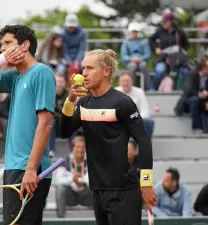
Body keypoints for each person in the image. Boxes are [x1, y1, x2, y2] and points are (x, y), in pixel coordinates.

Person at [0, 25, 56, 225]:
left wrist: (31, 169)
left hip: (29, 169)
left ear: (25, 45)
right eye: (1, 45)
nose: (2, 49)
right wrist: (2, 59)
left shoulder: (41, 72)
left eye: (7, 44)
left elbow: (45, 124)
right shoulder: (15, 76)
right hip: (14, 167)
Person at [59, 49, 156, 225]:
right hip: (97, 190)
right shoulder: (83, 103)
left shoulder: (123, 103)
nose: (84, 74)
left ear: (106, 71)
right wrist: (70, 100)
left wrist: (147, 183)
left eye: (90, 68)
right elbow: (63, 132)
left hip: (124, 191)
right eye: (83, 68)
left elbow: (144, 141)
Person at [55, 136, 92, 218]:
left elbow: (95, 179)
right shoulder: (65, 161)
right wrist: (72, 179)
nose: (80, 150)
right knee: (60, 188)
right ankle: (61, 218)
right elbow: (58, 180)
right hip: (71, 194)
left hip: (86, 193)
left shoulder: (91, 160)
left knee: (97, 188)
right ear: (73, 148)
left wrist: (82, 181)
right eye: (78, 147)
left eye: (83, 147)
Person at [116, 73, 155, 137]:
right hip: (120, 120)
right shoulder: (115, 92)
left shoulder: (139, 92)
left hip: (136, 119)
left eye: (127, 81)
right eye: (123, 81)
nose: (126, 83)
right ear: (119, 83)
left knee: (149, 121)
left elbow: (145, 111)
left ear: (132, 82)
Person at [120, 22, 151, 90]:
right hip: (130, 63)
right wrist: (131, 59)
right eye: (133, 31)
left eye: (135, 31)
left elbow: (148, 54)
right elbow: (123, 56)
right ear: (130, 32)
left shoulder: (144, 41)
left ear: (138, 32)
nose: (134, 33)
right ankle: (131, 87)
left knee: (143, 65)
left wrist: (140, 58)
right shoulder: (126, 42)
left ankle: (149, 87)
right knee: (132, 66)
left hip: (142, 61)